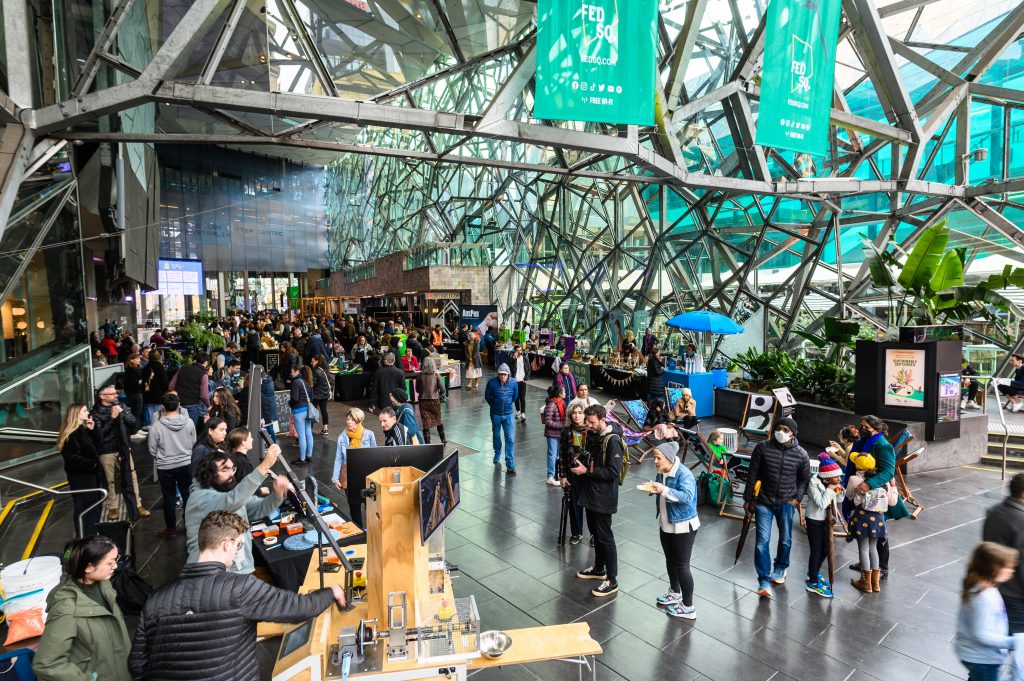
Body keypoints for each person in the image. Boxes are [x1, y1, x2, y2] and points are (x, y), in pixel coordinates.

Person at [129, 510, 345, 681]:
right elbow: (299, 608)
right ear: (226, 544)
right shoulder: (239, 588)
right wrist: (331, 591)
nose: (238, 551)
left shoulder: (156, 598)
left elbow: (137, 664)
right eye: (238, 545)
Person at [33, 535, 131, 681]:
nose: (115, 566)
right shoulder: (66, 609)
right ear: (89, 567)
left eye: (116, 560)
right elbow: (47, 665)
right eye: (110, 562)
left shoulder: (103, 584)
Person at [185, 444, 286, 574]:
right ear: (208, 474)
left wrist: (277, 495)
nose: (231, 474)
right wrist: (264, 466)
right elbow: (233, 500)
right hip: (210, 574)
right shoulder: (199, 499)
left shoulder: (226, 491)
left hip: (237, 569)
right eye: (224, 470)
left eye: (233, 469)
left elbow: (259, 508)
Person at [743, 416, 810, 598]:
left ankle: (780, 567)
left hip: (786, 502)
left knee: (786, 539)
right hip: (763, 501)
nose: (781, 432)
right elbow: (752, 473)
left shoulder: (801, 454)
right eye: (778, 428)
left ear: (793, 434)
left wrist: (797, 497)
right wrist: (748, 499)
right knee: (761, 541)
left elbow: (804, 478)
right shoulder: (762, 448)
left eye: (786, 430)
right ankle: (763, 579)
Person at [572, 405, 624, 597]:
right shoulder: (594, 435)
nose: (589, 425)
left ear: (603, 419)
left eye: (592, 422)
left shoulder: (613, 441)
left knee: (605, 537)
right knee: (596, 534)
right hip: (591, 494)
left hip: (604, 497)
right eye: (588, 421)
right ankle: (599, 569)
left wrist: (588, 471)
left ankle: (612, 579)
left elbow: (613, 472)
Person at [646, 441, 699, 619]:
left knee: (682, 565)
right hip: (666, 523)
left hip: (683, 526)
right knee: (670, 560)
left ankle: (688, 606)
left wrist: (664, 489)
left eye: (658, 458)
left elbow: (687, 497)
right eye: (654, 457)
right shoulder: (663, 471)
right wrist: (655, 489)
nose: (655, 461)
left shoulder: (684, 473)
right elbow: (663, 493)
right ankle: (675, 592)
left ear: (668, 459)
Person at [954, 542, 1019, 681]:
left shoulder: (980, 587)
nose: (1012, 570)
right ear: (993, 569)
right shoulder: (985, 597)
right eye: (1007, 567)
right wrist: (1013, 642)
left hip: (974, 655)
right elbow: (981, 635)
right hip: (981, 659)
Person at [845, 415, 897, 580]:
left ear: (877, 429)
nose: (862, 429)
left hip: (874, 494)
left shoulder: (883, 446)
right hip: (859, 491)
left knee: (878, 532)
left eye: (866, 427)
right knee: (864, 529)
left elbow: (888, 471)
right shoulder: (862, 442)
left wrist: (869, 484)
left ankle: (882, 567)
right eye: (862, 426)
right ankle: (866, 564)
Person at [92, 384, 148, 520]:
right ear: (102, 397)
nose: (116, 396)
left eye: (116, 393)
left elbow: (134, 423)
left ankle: (137, 505)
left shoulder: (121, 406)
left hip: (123, 448)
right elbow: (99, 435)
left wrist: (122, 413)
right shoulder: (95, 413)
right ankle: (112, 507)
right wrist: (112, 418)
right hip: (106, 451)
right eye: (112, 394)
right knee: (109, 480)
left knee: (131, 477)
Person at [148, 393, 197, 538]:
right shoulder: (189, 422)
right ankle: (190, 526)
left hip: (165, 467)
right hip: (186, 464)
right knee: (187, 495)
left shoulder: (156, 426)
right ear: (179, 405)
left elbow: (152, 449)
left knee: (168, 498)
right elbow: (193, 441)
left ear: (162, 407)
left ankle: (171, 529)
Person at [983, 473, 1024, 633]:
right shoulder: (1021, 520)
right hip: (1016, 592)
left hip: (993, 584)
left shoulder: (993, 511)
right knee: (1017, 640)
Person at [846, 451, 890, 593]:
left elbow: (848, 496)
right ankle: (875, 584)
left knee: (863, 548)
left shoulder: (854, 479)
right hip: (878, 518)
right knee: (873, 548)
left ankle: (865, 583)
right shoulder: (881, 479)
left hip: (862, 517)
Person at [58, 403, 104, 537]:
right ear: (76, 414)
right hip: (82, 479)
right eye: (84, 410)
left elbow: (97, 447)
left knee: (93, 507)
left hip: (90, 477)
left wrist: (92, 429)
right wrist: (92, 464)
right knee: (86, 509)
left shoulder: (82, 430)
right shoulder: (72, 434)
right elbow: (72, 458)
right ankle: (86, 537)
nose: (87, 412)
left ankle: (91, 535)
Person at [803, 453, 842, 598]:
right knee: (816, 551)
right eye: (836, 476)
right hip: (814, 519)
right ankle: (812, 583)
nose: (839, 479)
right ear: (826, 477)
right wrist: (831, 489)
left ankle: (813, 572)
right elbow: (821, 503)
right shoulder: (814, 483)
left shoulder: (830, 483)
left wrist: (839, 491)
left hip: (827, 520)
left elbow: (838, 499)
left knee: (826, 550)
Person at [331, 408, 377, 527]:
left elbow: (375, 456)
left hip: (366, 474)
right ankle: (359, 530)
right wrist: (335, 478)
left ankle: (372, 530)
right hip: (349, 474)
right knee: (354, 505)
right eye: (348, 419)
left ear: (359, 421)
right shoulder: (342, 437)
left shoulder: (369, 434)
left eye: (352, 420)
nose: (349, 422)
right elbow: (338, 458)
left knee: (370, 505)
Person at [558, 403, 589, 545]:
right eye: (574, 413)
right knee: (574, 505)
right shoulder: (566, 431)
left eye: (580, 412)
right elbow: (563, 455)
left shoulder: (591, 429)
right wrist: (562, 475)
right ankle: (576, 532)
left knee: (591, 506)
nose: (577, 415)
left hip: (589, 474)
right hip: (572, 474)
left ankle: (595, 533)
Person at [485, 364, 519, 475]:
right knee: (496, 434)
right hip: (496, 414)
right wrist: (494, 405)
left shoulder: (514, 383)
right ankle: (497, 452)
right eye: (500, 374)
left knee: (509, 438)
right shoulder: (491, 383)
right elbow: (487, 397)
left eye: (504, 374)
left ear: (508, 374)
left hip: (508, 414)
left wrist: (508, 405)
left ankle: (510, 462)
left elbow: (515, 396)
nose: (502, 376)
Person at [168, 352, 211, 428]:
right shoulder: (203, 374)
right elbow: (204, 395)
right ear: (206, 362)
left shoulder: (182, 368)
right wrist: (208, 404)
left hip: (178, 404)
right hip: (192, 406)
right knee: (190, 430)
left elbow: (171, 386)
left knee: (177, 428)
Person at [416, 357, 446, 445]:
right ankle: (443, 440)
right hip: (435, 401)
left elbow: (417, 390)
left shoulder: (419, 376)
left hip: (423, 401)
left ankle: (428, 443)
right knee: (438, 420)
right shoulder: (436, 375)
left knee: (425, 423)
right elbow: (443, 389)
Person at [290, 365, 315, 464]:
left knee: (301, 436)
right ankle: (309, 456)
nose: (290, 373)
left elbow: (295, 398)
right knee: (308, 433)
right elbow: (312, 397)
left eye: (292, 371)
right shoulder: (307, 382)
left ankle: (302, 458)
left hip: (299, 411)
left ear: (298, 371)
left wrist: (290, 404)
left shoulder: (296, 382)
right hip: (308, 411)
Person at [543, 385, 566, 487]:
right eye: (564, 392)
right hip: (552, 434)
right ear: (560, 393)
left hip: (559, 434)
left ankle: (556, 474)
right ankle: (550, 477)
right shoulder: (552, 404)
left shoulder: (562, 402)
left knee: (557, 455)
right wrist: (561, 425)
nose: (565, 393)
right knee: (552, 455)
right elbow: (547, 421)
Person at [142, 352, 170, 426]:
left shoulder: (145, 368)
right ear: (158, 357)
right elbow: (164, 383)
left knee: (150, 419)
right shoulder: (160, 368)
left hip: (147, 395)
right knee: (159, 418)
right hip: (158, 396)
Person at [310, 354, 333, 436]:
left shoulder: (315, 371)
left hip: (316, 395)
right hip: (325, 394)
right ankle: (325, 429)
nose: (311, 363)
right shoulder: (325, 369)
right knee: (324, 411)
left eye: (312, 361)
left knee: (312, 411)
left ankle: (309, 428)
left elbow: (314, 383)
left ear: (317, 361)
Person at [123, 353, 146, 428]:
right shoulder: (131, 370)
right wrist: (143, 380)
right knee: (137, 412)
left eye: (139, 358)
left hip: (133, 393)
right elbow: (136, 382)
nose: (139, 360)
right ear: (131, 360)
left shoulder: (134, 369)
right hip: (135, 393)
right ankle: (136, 429)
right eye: (137, 359)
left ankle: (136, 429)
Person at [511, 346, 531, 421]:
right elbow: (512, 369)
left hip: (522, 381)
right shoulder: (512, 359)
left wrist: (526, 378)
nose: (519, 352)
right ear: (514, 351)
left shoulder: (525, 359)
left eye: (520, 350)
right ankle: (518, 411)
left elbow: (528, 369)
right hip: (515, 381)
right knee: (516, 397)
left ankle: (523, 413)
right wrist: (514, 359)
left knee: (522, 397)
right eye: (517, 350)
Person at [261, 370, 279, 443]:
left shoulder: (263, 382)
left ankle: (272, 443)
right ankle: (272, 443)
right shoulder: (269, 378)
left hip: (267, 406)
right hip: (270, 404)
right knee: (269, 425)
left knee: (268, 425)